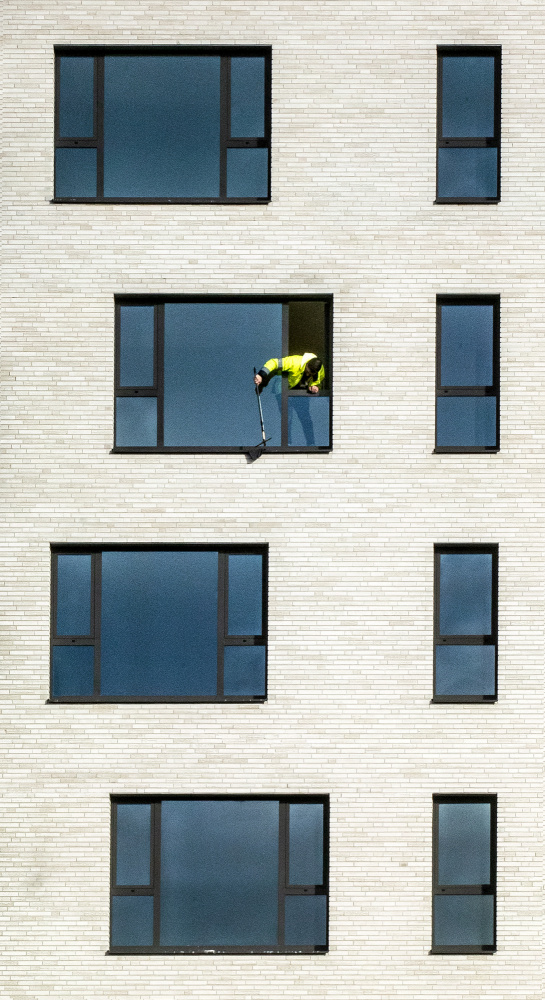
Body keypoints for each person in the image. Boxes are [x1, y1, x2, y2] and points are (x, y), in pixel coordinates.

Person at [254, 353, 325, 393]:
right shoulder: (294, 362)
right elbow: (274, 363)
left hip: (301, 394)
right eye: (307, 371)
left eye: (310, 374)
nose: (307, 374)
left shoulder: (319, 370)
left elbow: (318, 381)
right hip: (283, 387)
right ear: (307, 364)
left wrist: (315, 386)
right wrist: (261, 374)